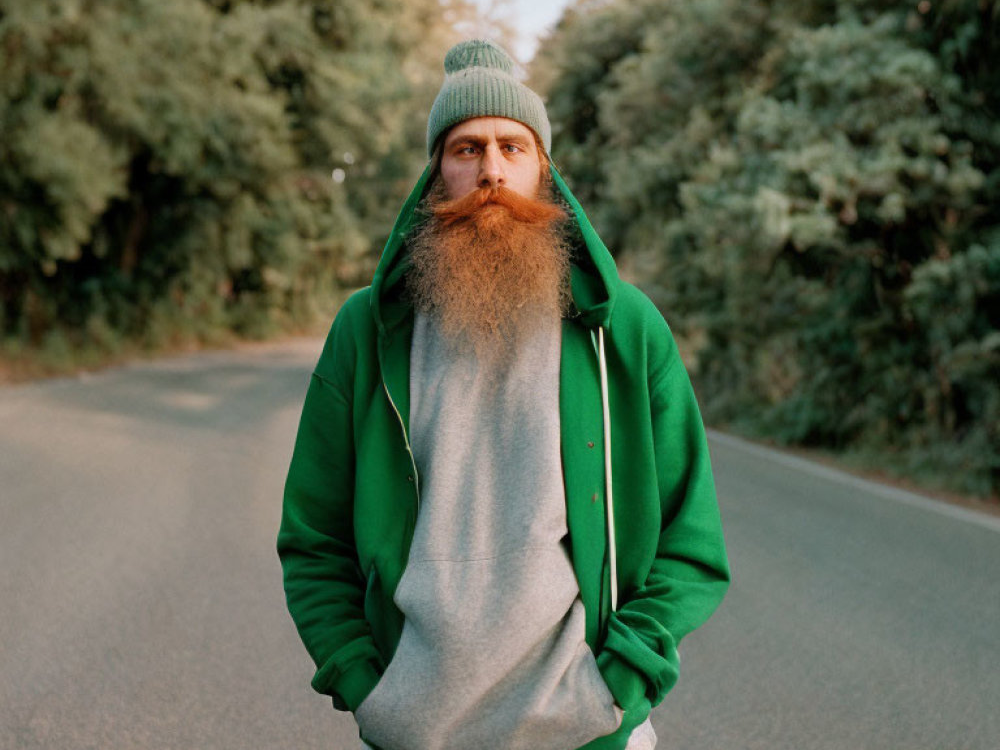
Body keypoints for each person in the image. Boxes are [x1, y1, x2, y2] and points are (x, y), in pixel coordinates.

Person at [277, 38, 730, 750]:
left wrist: (622, 679)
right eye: (466, 148)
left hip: (587, 726)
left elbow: (691, 539)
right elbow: (314, 539)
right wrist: (369, 687)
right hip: (418, 729)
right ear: (435, 175)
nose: (491, 169)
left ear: (545, 172)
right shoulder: (366, 331)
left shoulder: (623, 329)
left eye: (513, 148)